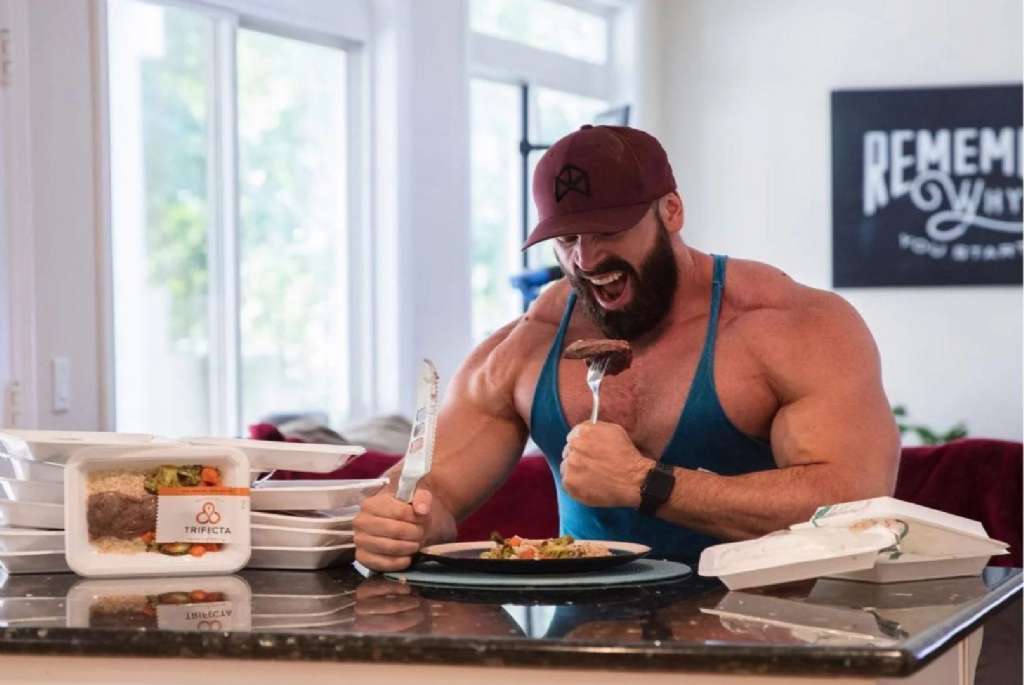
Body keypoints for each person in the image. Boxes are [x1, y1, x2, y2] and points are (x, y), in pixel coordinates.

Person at [354, 125, 899, 571]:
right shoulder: (530, 343)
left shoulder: (787, 324)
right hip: (584, 641)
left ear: (671, 212)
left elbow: (855, 502)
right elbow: (431, 492)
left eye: (607, 231)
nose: (586, 260)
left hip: (766, 636)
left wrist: (648, 483)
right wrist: (399, 524)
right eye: (567, 239)